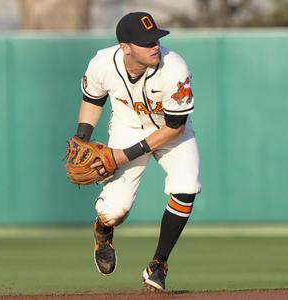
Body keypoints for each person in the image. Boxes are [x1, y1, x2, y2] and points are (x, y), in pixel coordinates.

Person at [73, 11, 201, 292]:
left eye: (155, 38)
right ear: (125, 47)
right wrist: (82, 137)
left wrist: (121, 155)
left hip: (170, 131)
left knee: (187, 185)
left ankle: (158, 264)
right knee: (114, 211)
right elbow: (93, 99)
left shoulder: (174, 68)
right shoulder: (103, 63)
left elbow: (175, 127)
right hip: (127, 125)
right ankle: (103, 230)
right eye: (146, 42)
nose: (155, 45)